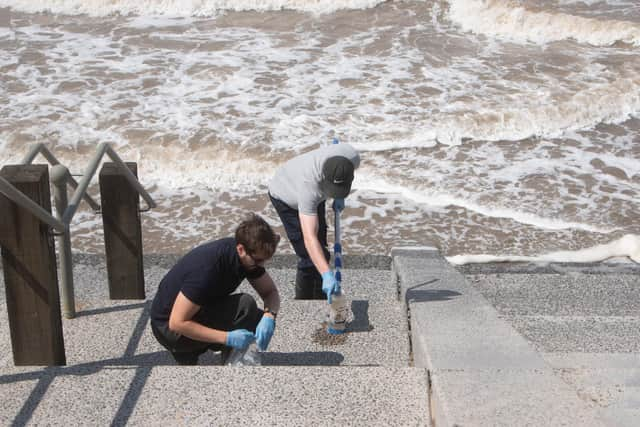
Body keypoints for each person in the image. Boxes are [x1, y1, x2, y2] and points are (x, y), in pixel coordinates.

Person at [150, 214, 281, 365]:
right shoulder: (208, 270)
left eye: (266, 259)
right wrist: (227, 337)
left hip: (195, 311)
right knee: (245, 305)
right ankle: (189, 351)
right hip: (169, 330)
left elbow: (270, 292)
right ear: (241, 249)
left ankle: (226, 356)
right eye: (258, 260)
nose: (262, 265)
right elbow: (176, 323)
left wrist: (270, 316)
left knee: (258, 318)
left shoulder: (248, 257)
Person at [268, 142, 360, 301]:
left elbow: (341, 176)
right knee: (308, 255)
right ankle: (304, 303)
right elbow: (309, 237)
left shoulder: (351, 157)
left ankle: (322, 295)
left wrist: (339, 196)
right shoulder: (309, 187)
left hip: (315, 188)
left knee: (321, 247)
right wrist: (327, 274)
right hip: (285, 194)